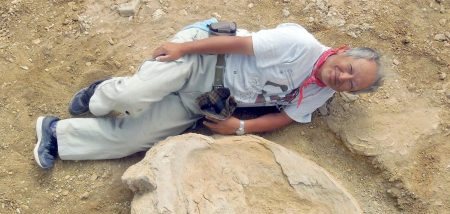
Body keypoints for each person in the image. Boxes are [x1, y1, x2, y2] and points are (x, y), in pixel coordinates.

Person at [33, 20, 383, 169]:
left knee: (135, 139)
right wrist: (184, 49)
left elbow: (286, 117)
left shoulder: (322, 93)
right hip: (203, 59)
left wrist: (240, 128)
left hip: (206, 101)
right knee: (135, 94)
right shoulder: (300, 44)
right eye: (349, 68)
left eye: (352, 84)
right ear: (343, 50)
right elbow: (237, 43)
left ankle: (55, 135)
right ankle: (99, 94)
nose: (343, 78)